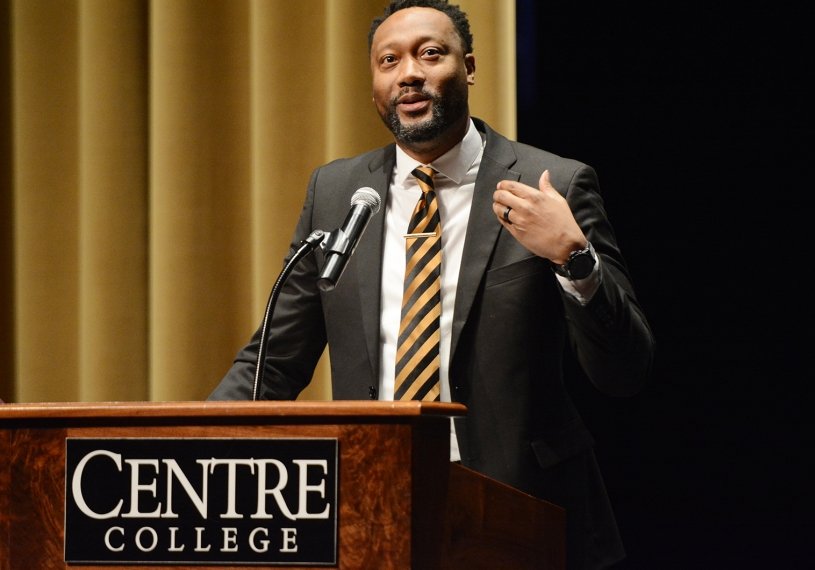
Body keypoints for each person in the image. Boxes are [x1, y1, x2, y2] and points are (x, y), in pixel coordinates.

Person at [210, 1, 655, 568]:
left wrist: (574, 257)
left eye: (430, 54)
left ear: (468, 67)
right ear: (374, 84)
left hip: (522, 514)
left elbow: (624, 371)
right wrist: (195, 447)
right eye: (389, 60)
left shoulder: (554, 184)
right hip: (372, 505)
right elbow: (273, 361)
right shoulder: (338, 192)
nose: (409, 73)